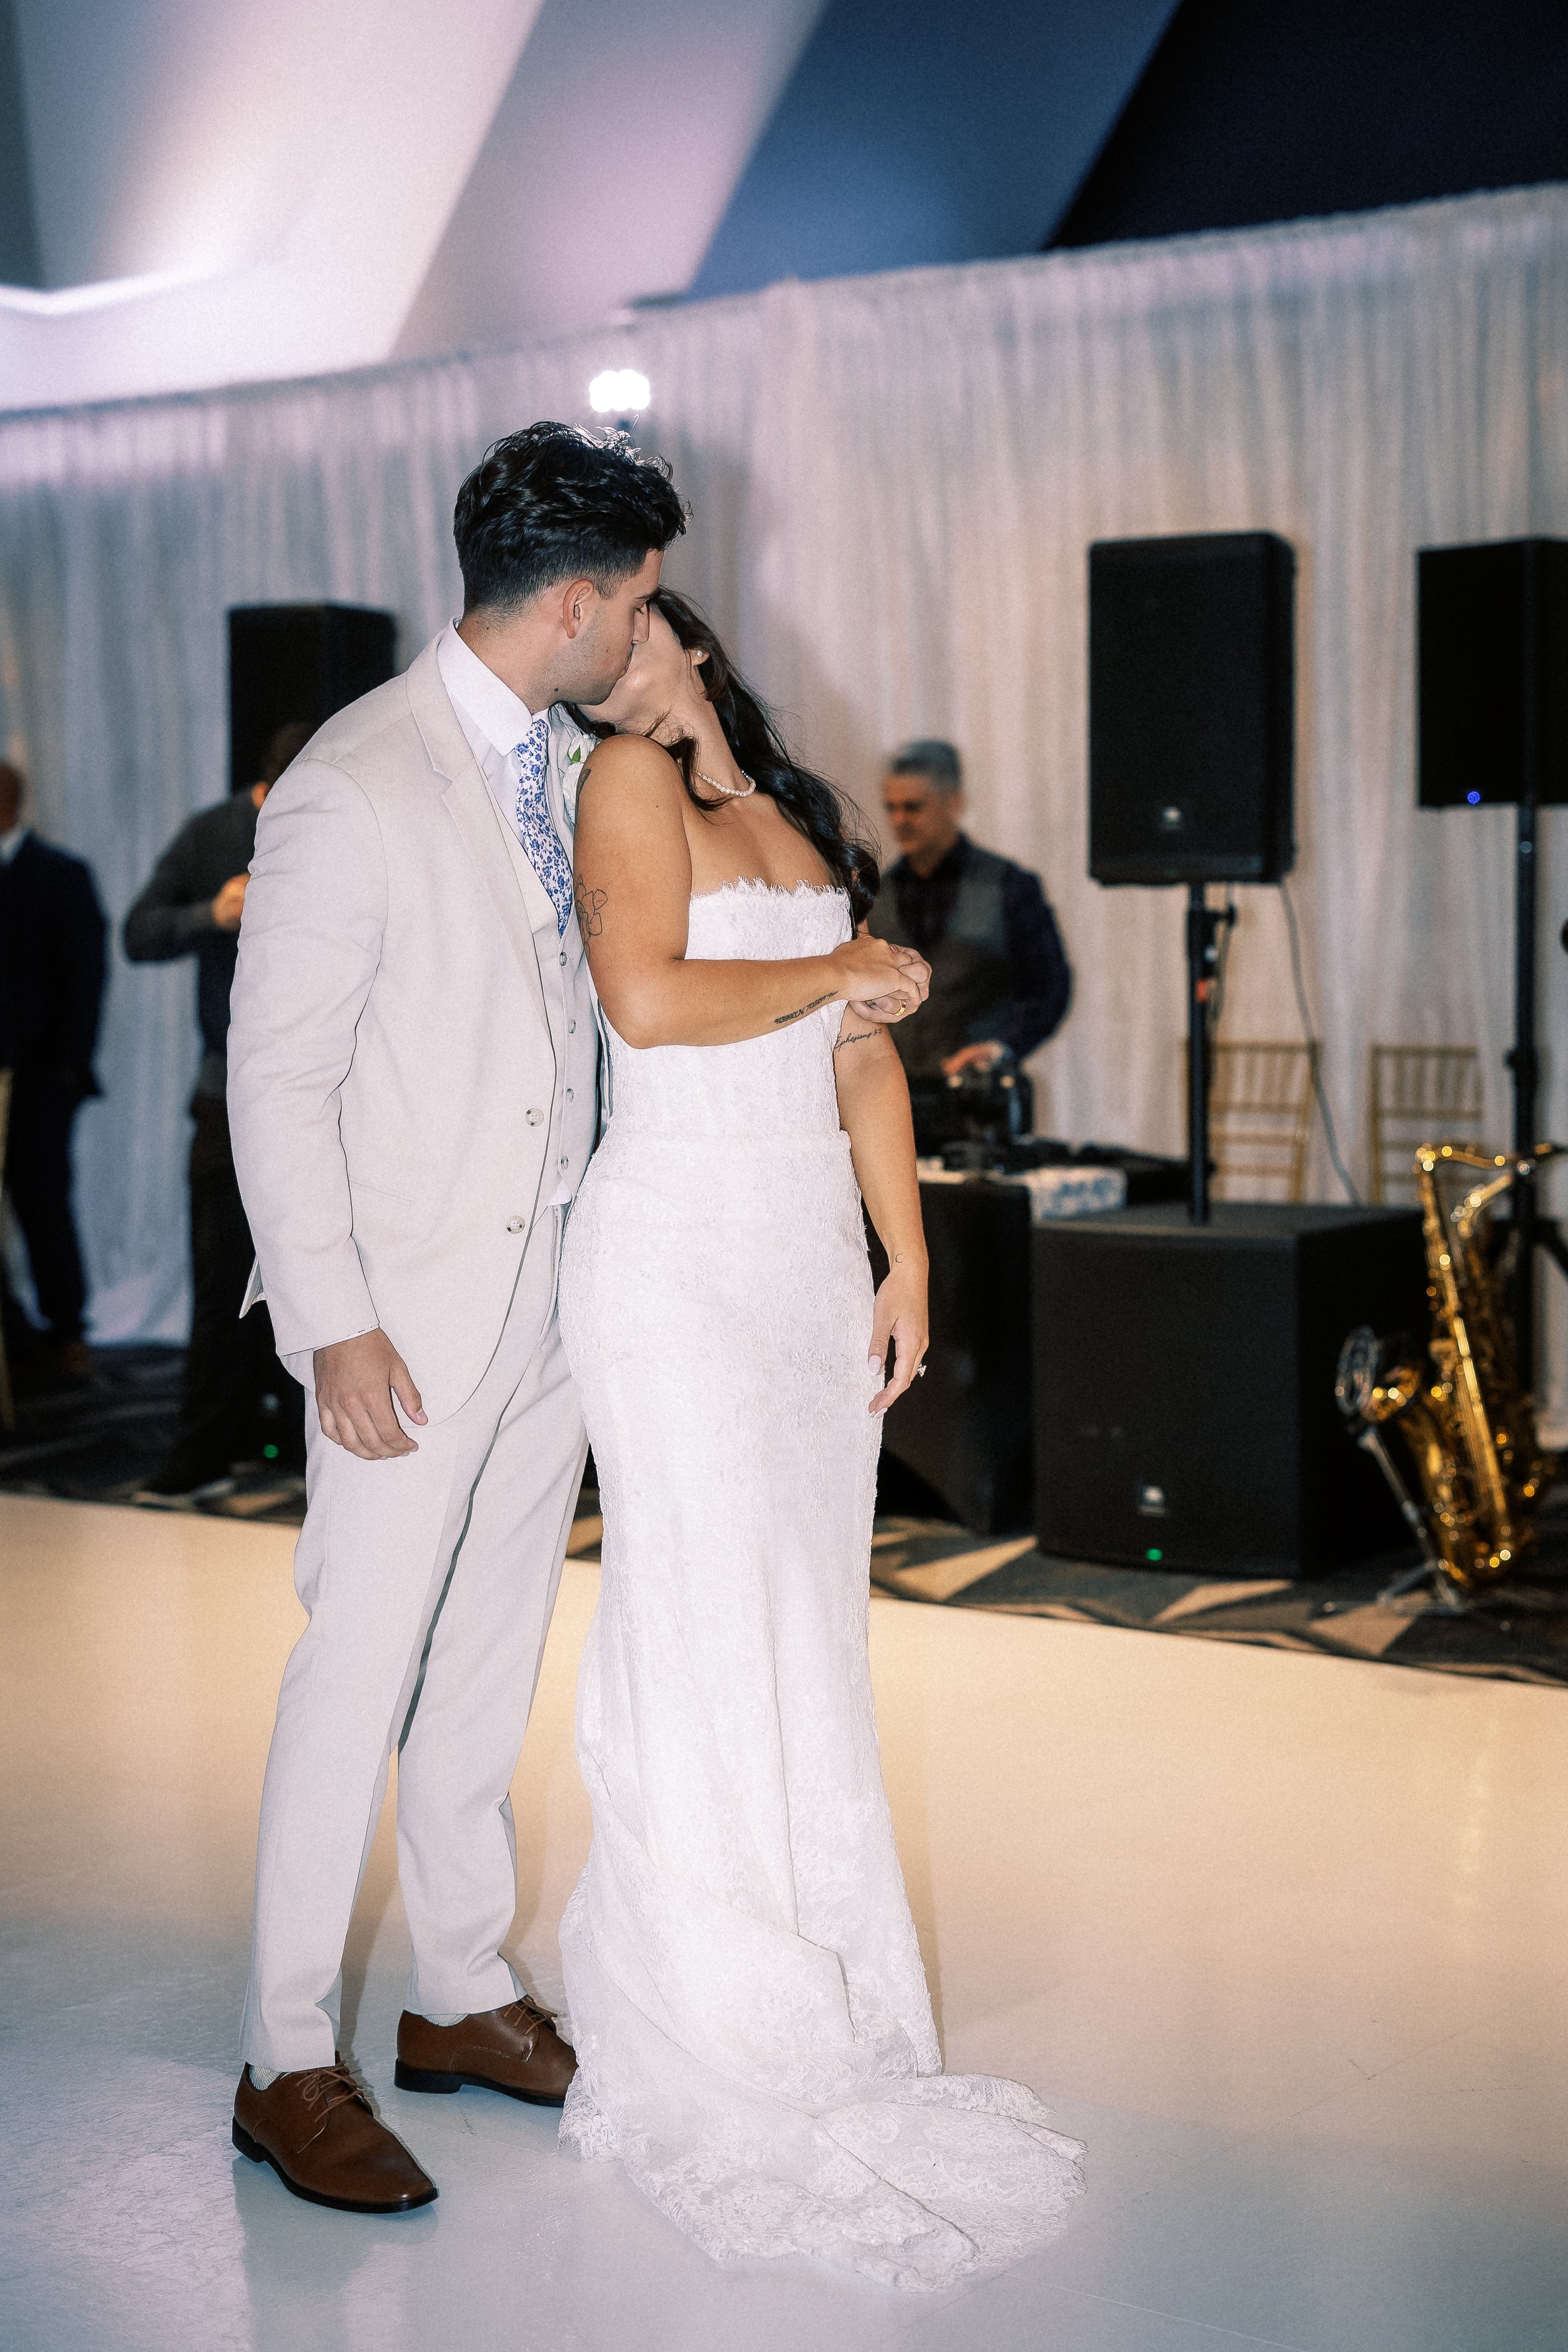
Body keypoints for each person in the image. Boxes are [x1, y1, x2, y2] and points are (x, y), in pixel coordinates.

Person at [223, 424, 929, 2218]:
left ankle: (459, 1993)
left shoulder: (572, 760)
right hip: (404, 1308)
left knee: (485, 1663)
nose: (647, 631)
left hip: (567, 1287)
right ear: (569, 601)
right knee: (356, 1662)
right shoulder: (356, 778)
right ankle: (282, 2048)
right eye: (629, 604)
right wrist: (334, 1319)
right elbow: (274, 1075)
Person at [557, 590, 1082, 2287]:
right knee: (702, 1612)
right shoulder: (618, 782)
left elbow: (860, 1058)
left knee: (800, 1627)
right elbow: (646, 1002)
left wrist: (904, 1253)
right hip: (674, 1240)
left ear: (687, 636)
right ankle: (711, 2006)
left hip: (797, 1254)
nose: (605, 659)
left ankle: (818, 1966)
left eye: (628, 628)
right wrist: (843, 964)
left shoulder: (788, 813)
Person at [123, 719, 313, 1504]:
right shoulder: (214, 833)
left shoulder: (351, 828)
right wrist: (211, 914)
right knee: (220, 1275)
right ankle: (207, 1445)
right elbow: (138, 932)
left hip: (329, 1092)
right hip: (226, 1091)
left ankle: (316, 1447)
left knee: (319, 1273)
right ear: (265, 792)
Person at [869, 739, 1071, 1079]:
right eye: (891, 808)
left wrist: (1003, 1046)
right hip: (896, 1095)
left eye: (913, 807)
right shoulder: (873, 894)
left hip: (981, 1098)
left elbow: (1048, 988)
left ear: (954, 803)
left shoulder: (1010, 885)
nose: (899, 820)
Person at [0, 760, 107, 1387]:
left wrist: (67, 1068)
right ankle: (14, 1331)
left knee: (41, 1204)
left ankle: (67, 1329)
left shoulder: (61, 876)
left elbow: (85, 979)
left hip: (40, 1080)